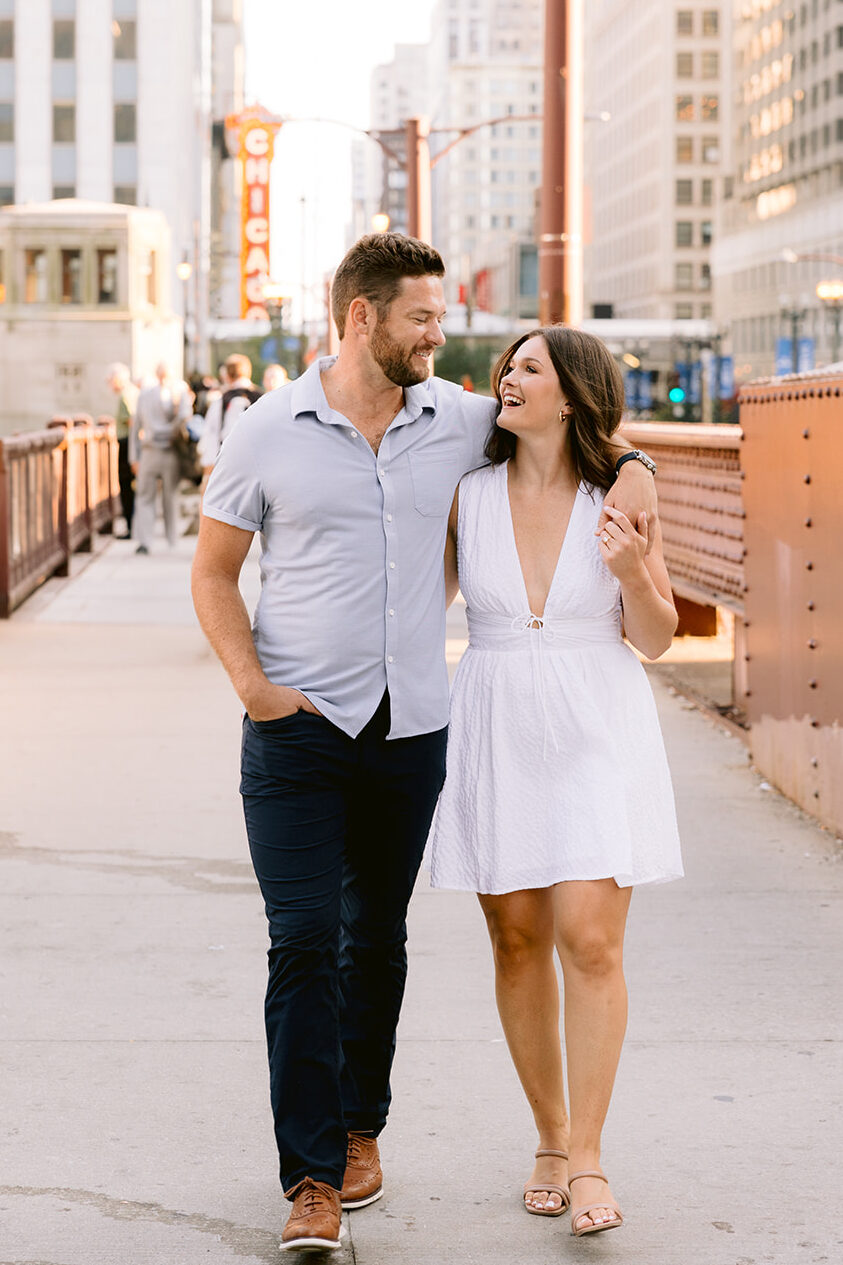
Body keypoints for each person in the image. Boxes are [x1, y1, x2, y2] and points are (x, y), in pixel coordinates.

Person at [190, 233, 658, 1253]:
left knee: (378, 940)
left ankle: (363, 1128)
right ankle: (312, 1175)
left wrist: (637, 462)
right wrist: (256, 688)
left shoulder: (454, 417)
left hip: (411, 735)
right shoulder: (266, 428)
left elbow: (572, 423)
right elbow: (214, 572)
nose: (441, 339)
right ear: (363, 316)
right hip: (298, 731)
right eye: (422, 320)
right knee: (305, 939)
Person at [429, 326, 683, 1237]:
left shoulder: (615, 496)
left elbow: (656, 637)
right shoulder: (466, 494)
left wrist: (631, 574)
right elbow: (420, 605)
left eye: (528, 366)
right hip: (495, 718)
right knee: (516, 936)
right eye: (508, 363)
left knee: (591, 940)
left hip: (593, 722)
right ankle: (546, 1134)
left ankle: (588, 1156)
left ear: (572, 394)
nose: (507, 374)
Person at [131, 361, 193, 554]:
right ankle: (168, 539)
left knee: (153, 496)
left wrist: (134, 456)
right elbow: (185, 418)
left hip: (152, 450)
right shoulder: (179, 393)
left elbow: (136, 427)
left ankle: (147, 541)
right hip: (166, 450)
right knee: (165, 496)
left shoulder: (146, 395)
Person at [198, 354, 262, 478]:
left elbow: (211, 436)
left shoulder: (221, 401)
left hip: (228, 465)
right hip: (256, 465)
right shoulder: (262, 398)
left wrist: (207, 474)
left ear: (227, 375)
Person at [106, 362, 139, 539]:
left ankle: (131, 526)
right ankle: (133, 525)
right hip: (131, 444)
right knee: (131, 487)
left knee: (126, 485)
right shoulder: (133, 392)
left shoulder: (125, 395)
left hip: (127, 444)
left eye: (110, 380)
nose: (109, 384)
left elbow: (132, 422)